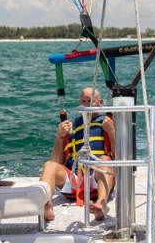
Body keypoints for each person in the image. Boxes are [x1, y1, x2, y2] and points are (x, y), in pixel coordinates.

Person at [40, 87, 115, 221]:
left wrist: (112, 132)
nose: (86, 105)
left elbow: (119, 157)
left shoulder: (107, 122)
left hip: (97, 178)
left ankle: (101, 205)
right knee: (49, 165)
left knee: (105, 159)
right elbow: (58, 161)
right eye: (83, 101)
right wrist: (60, 137)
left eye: (90, 101)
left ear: (100, 102)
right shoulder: (73, 125)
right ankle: (45, 206)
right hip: (75, 180)